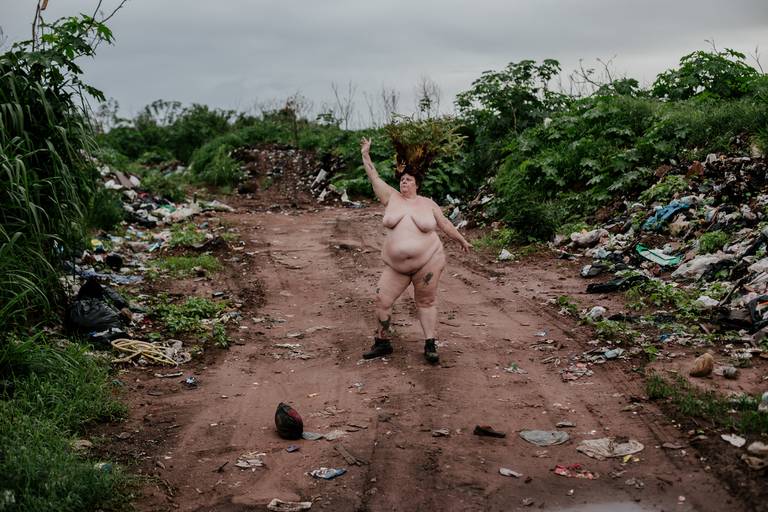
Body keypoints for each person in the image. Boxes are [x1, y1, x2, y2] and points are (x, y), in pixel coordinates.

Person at [360, 137, 471, 364]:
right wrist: (365, 153)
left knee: (426, 302)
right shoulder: (390, 198)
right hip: (396, 266)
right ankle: (382, 342)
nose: (404, 183)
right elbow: (373, 175)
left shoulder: (428, 204)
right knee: (381, 299)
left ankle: (430, 344)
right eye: (402, 179)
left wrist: (461, 240)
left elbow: (446, 225)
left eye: (409, 180)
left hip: (428, 262)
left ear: (416, 183)